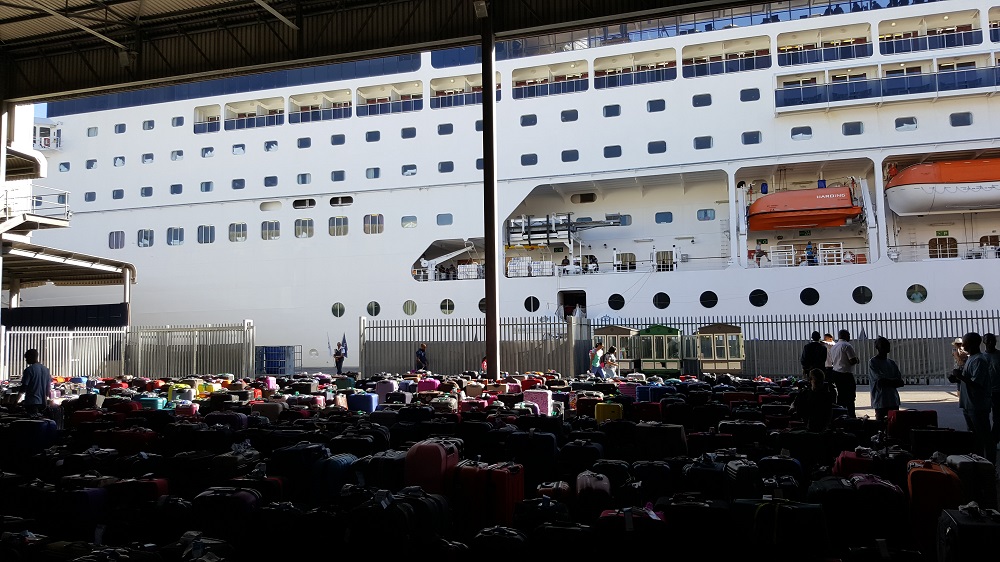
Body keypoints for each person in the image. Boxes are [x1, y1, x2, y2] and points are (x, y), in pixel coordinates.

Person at [953, 332, 996, 462]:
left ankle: (990, 463)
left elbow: (977, 383)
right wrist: (958, 378)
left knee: (984, 437)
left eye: (964, 342)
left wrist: (960, 376)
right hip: (969, 405)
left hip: (977, 405)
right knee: (975, 437)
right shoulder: (971, 358)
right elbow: (968, 379)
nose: (962, 345)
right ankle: (979, 462)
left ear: (971, 344)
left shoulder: (979, 360)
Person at [868, 336, 903, 423]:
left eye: (887, 345)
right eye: (883, 345)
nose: (886, 347)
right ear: (877, 347)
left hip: (892, 401)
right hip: (881, 401)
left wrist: (888, 381)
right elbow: (881, 381)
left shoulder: (891, 363)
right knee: (881, 425)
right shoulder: (873, 362)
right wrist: (894, 381)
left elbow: (900, 382)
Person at [829, 329, 860, 418]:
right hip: (846, 374)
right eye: (849, 335)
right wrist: (857, 360)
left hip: (836, 373)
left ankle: (840, 415)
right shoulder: (847, 346)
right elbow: (852, 360)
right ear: (845, 336)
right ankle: (851, 416)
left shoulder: (834, 347)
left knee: (841, 396)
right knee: (850, 397)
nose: (850, 337)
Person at [19, 349, 52, 416]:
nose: (26, 360)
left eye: (27, 358)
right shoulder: (46, 370)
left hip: (32, 403)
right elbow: (48, 388)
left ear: (31, 357)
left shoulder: (29, 370)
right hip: (43, 403)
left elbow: (23, 388)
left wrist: (15, 402)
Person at [982, 333, 1000, 447]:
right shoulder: (981, 357)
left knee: (998, 417)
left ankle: (994, 438)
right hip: (985, 391)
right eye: (988, 340)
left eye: (992, 340)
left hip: (998, 390)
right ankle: (990, 439)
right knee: (983, 416)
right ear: (984, 342)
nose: (990, 342)